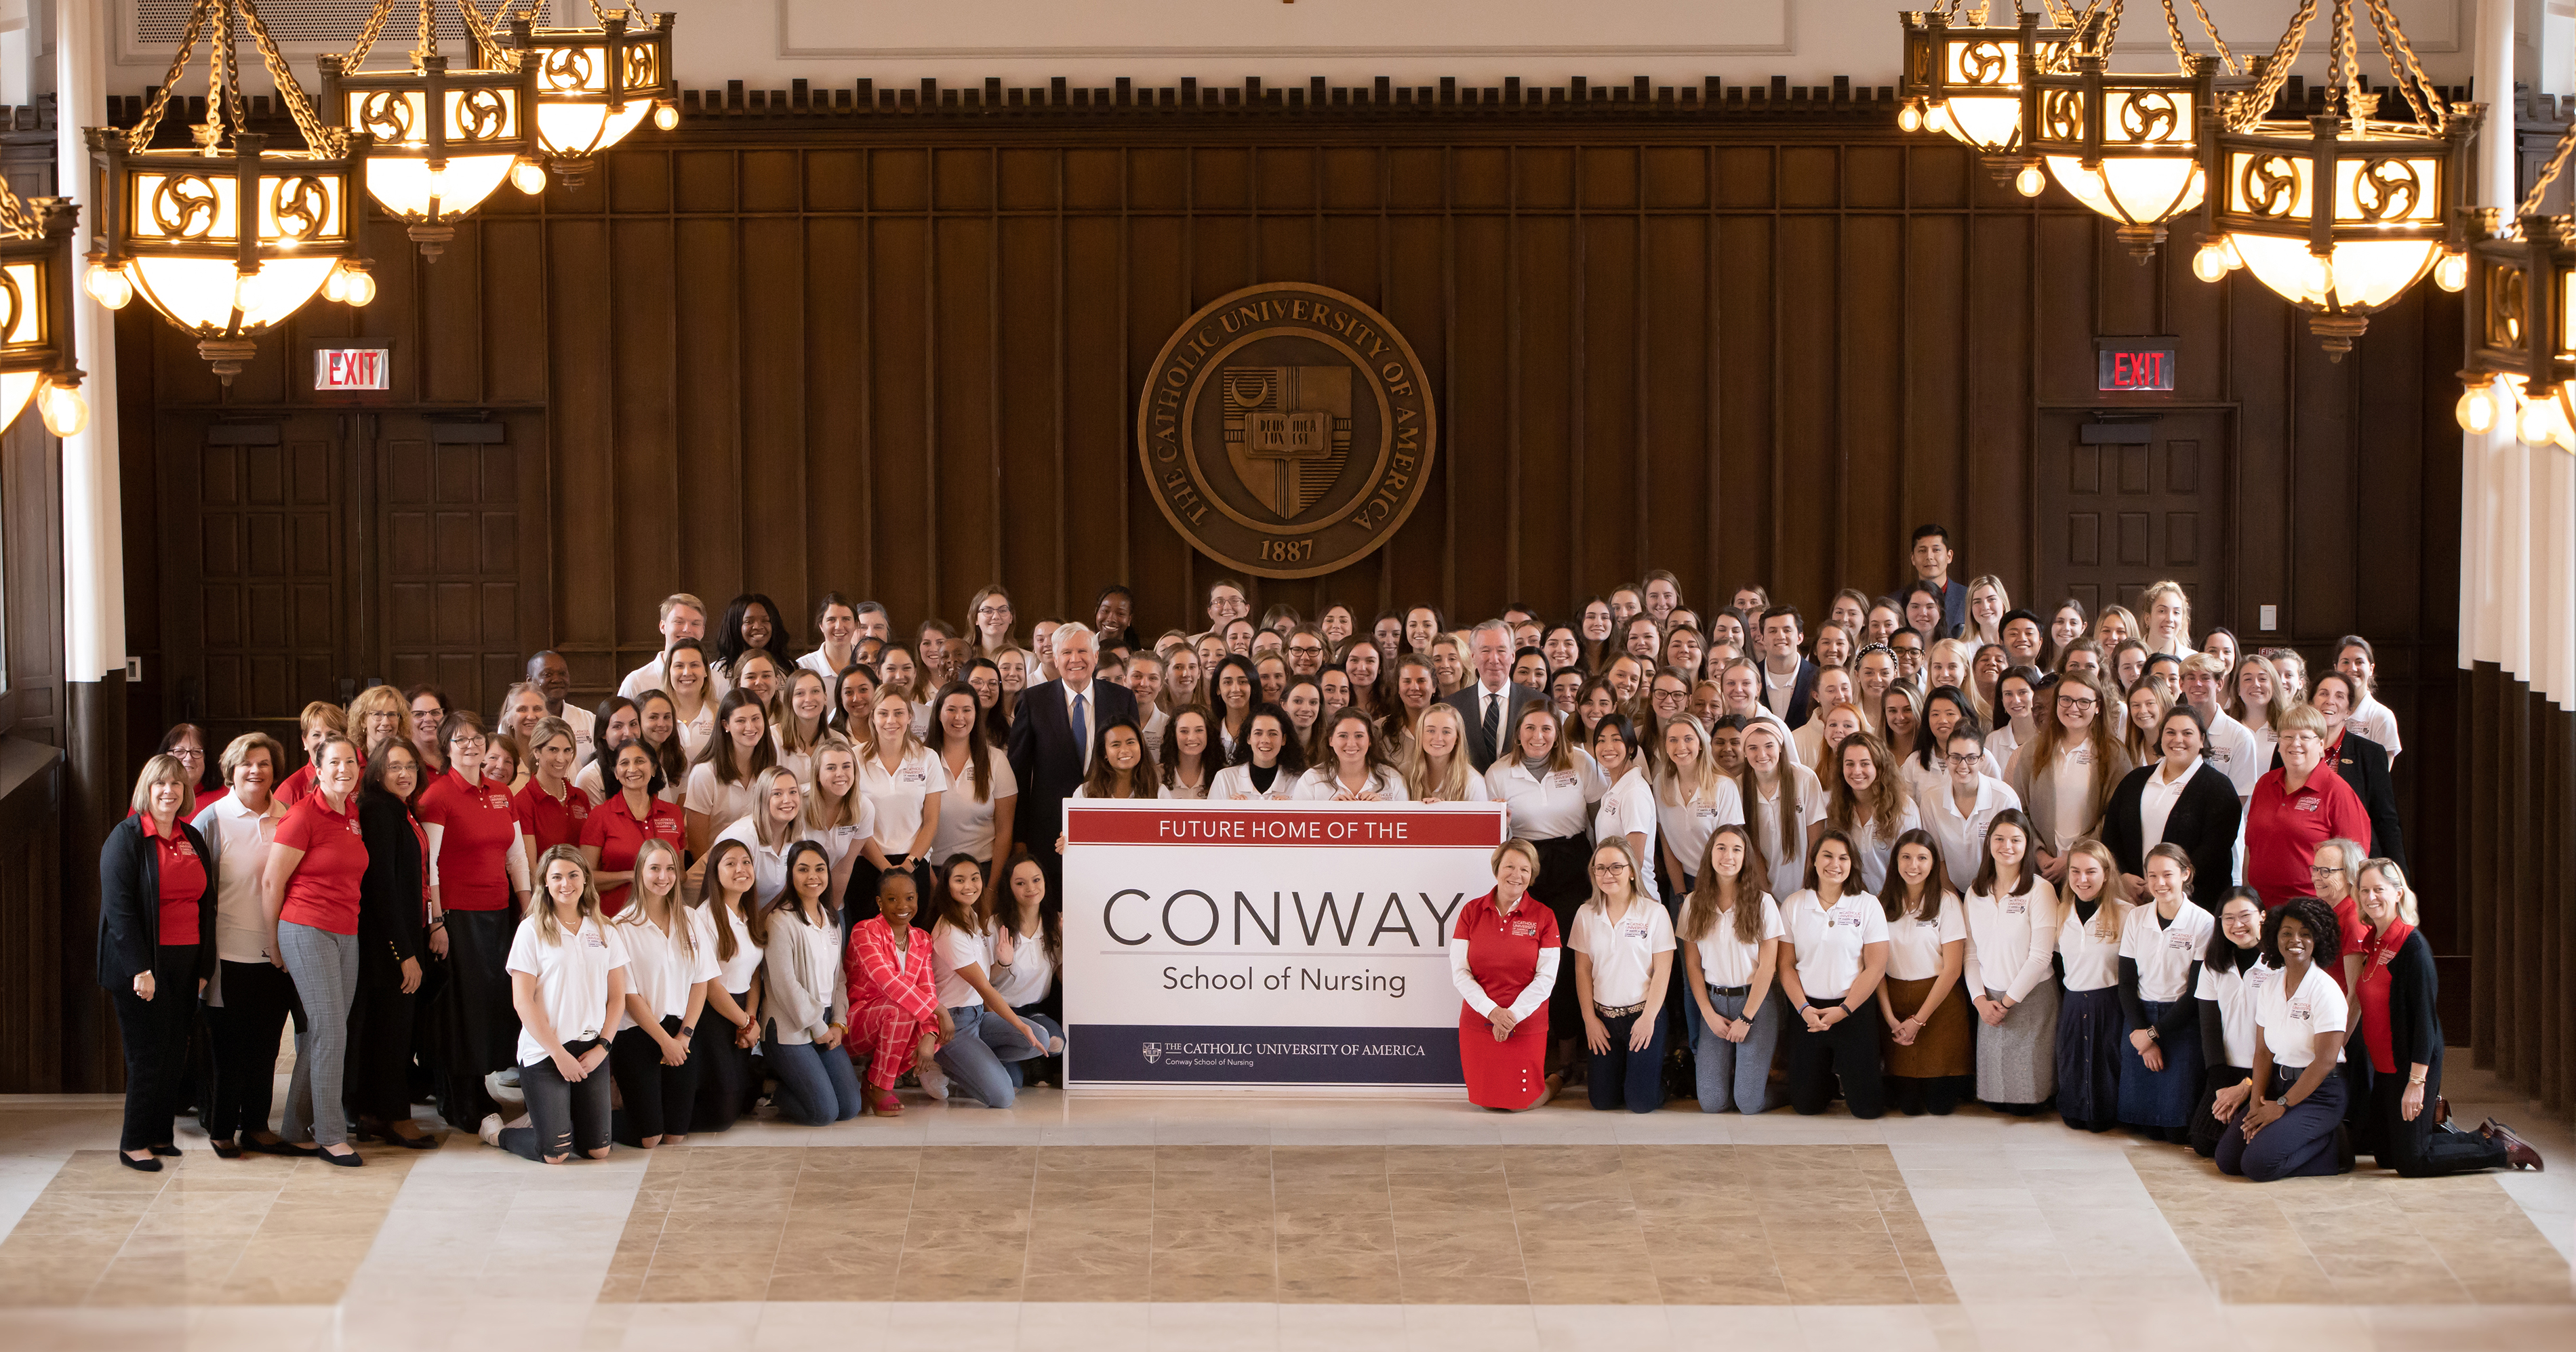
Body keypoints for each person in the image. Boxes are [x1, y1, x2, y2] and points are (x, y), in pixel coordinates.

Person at [2348, 859, 2539, 1174]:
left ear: (2397, 893)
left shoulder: (2413, 947)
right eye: (2364, 890)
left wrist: (2416, 1083)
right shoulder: (2373, 943)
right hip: (2385, 1067)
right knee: (2385, 1154)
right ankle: (2481, 1136)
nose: (2370, 897)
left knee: (2411, 1162)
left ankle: (2500, 1149)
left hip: (2412, 1064)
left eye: (2378, 889)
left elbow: (2425, 1022)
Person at [418, 712, 534, 1137]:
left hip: (498, 914)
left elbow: (516, 857)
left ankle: (479, 1088)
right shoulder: (438, 796)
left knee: (490, 1004)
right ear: (446, 747)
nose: (471, 746)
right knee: (461, 1011)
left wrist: (526, 909)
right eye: (460, 740)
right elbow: (427, 865)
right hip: (457, 917)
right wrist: (436, 922)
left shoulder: (502, 793)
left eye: (477, 739)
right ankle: (458, 1098)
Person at [99, 754, 217, 1170]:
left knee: (173, 1052)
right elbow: (120, 911)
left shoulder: (190, 836)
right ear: (146, 790)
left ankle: (160, 1136)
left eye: (177, 785)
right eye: (160, 785)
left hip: (186, 962)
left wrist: (204, 966)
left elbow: (208, 904)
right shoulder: (126, 838)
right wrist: (139, 969)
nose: (169, 792)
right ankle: (134, 1143)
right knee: (146, 1055)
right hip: (142, 968)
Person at [260, 735, 369, 1166]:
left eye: (351, 762)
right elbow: (272, 882)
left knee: (328, 1029)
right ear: (317, 769)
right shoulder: (302, 816)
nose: (344, 769)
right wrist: (273, 943)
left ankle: (294, 1128)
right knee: (330, 1029)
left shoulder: (353, 814)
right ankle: (329, 1135)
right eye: (335, 763)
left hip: (347, 931)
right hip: (306, 928)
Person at [481, 846, 629, 1162]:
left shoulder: (604, 929)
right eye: (557, 877)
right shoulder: (531, 930)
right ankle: (501, 1134)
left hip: (591, 1050)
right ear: (545, 883)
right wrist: (559, 1054)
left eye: (573, 875)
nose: (566, 884)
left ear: (585, 880)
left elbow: (617, 997)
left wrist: (604, 1047)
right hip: (546, 1052)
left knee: (598, 1151)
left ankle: (554, 1119)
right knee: (555, 1154)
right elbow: (522, 1001)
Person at [193, 733, 298, 1158]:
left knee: (267, 1045)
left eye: (264, 764)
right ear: (231, 771)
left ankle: (257, 1125)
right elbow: (198, 894)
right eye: (246, 764)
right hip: (225, 954)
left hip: (276, 953)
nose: (256, 771)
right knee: (228, 1049)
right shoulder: (210, 820)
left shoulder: (288, 817)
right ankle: (221, 1129)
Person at [2213, 897, 2351, 1182]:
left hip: (2320, 1095)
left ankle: (2332, 1149)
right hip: (2278, 1087)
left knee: (2257, 1165)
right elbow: (2263, 1052)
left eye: (2305, 934)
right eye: (2286, 933)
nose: (2295, 940)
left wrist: (2283, 1106)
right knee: (2228, 1160)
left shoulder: (2326, 991)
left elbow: (2325, 1061)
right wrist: (2255, 1103)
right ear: (2274, 937)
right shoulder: (2270, 985)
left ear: (2318, 939)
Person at [1007, 622, 1138, 893]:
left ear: (1096, 656)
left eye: (1082, 651)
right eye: (1066, 652)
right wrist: (1019, 838)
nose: (1075, 659)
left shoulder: (1122, 699)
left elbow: (1134, 765)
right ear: (1055, 659)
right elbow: (1018, 774)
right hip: (1049, 833)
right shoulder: (1034, 701)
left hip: (1111, 830)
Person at [347, 741, 434, 1149]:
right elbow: (382, 887)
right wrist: (406, 954)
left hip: (402, 935)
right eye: (394, 766)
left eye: (410, 766)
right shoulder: (379, 811)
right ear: (377, 772)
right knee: (391, 1032)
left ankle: (372, 1114)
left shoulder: (400, 809)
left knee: (389, 1031)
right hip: (386, 944)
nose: (404, 773)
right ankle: (394, 1116)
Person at [607, 840, 715, 1149]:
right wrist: (665, 1042)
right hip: (639, 1033)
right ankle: (588, 1120)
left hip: (682, 1030)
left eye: (670, 869)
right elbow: (628, 996)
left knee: (675, 1136)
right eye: (654, 868)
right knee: (651, 1139)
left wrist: (684, 1035)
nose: (663, 877)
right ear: (640, 872)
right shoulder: (621, 926)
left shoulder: (690, 919)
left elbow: (700, 981)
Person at [1777, 830, 1891, 1119]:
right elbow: (1786, 966)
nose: (1835, 864)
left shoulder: (1867, 904)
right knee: (1806, 1106)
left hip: (1852, 1009)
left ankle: (1855, 1080)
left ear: (1852, 864)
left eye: (1843, 858)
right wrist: (1803, 1009)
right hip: (1808, 1010)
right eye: (1827, 856)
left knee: (1867, 1110)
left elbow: (1875, 967)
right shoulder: (1793, 905)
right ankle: (1829, 1081)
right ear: (1813, 861)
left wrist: (1844, 1010)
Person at [927, 855, 1054, 1107]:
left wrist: (1004, 963)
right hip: (954, 1025)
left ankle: (975, 1063)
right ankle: (939, 1062)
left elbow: (987, 977)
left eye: (975, 878)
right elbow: (984, 987)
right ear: (947, 885)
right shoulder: (949, 931)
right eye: (959, 880)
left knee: (1040, 1040)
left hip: (978, 1016)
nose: (969, 886)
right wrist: (1019, 1024)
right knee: (1003, 1097)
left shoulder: (972, 916)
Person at [756, 842, 866, 1125]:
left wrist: (838, 1023)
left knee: (850, 1107)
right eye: (803, 870)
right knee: (824, 1113)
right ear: (790, 875)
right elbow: (785, 985)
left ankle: (806, 1086)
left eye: (819, 869)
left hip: (827, 1022)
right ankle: (775, 1092)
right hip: (789, 1027)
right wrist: (818, 1027)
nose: (812, 876)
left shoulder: (832, 920)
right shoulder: (780, 921)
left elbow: (839, 977)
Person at [1449, 839, 1562, 1111]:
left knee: (1522, 1104)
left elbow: (1546, 979)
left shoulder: (1544, 916)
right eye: (1510, 866)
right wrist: (1493, 1013)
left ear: (1532, 875)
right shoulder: (1471, 912)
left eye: (1525, 869)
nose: (1516, 875)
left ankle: (1557, 1081)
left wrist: (1511, 1017)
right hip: (1481, 1020)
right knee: (1486, 1103)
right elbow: (1460, 972)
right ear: (1497, 869)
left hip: (1524, 1021)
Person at [1678, 824, 1784, 1113]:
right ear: (1710, 855)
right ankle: (1742, 1079)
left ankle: (1789, 1088)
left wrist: (1746, 1018)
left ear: (1745, 857)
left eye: (1737, 849)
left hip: (1755, 1004)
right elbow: (1693, 966)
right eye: (1721, 848)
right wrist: (1709, 1015)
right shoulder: (1692, 903)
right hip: (1713, 1004)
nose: (1729, 856)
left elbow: (1768, 967)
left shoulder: (1763, 903)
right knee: (1712, 1103)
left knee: (1749, 1104)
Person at [2116, 844, 2215, 1142]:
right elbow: (2126, 983)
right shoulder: (2136, 917)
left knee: (2174, 1130)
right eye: (2152, 875)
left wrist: (2154, 1034)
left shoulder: (2203, 922)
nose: (2160, 883)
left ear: (2186, 874)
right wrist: (2142, 1036)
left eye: (2168, 874)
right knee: (2143, 1128)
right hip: (2139, 1016)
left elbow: (2196, 990)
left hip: (2180, 1020)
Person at [2099, 705, 2242, 911]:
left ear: (2202, 740)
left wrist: (2161, 883)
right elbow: (2111, 834)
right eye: (2170, 732)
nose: (2178, 740)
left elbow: (2214, 851)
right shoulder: (2134, 780)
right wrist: (2121, 875)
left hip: (2196, 904)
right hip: (2133, 899)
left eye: (2187, 733)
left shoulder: (2219, 788)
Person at [1965, 808, 2060, 1115]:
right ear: (1988, 843)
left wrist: (2005, 1003)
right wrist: (1980, 1000)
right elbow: (1971, 952)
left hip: (2031, 1000)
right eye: (2000, 839)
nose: (2007, 846)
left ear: (2027, 845)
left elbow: (2041, 956)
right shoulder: (1974, 892)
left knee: (2028, 1102)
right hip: (1989, 1001)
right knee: (1995, 1101)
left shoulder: (2040, 890)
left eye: (2016, 840)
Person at [1568, 839, 1673, 1113]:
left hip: (1644, 1015)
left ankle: (1671, 1078)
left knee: (1640, 1103)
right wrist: (1589, 1020)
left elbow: (1663, 970)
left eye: (1616, 867)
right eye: (1600, 868)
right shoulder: (1586, 914)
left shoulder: (1654, 913)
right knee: (1602, 1102)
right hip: (1603, 1020)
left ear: (1631, 871)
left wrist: (1649, 1018)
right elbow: (1582, 971)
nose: (1607, 874)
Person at [1876, 830, 1971, 1115]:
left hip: (1939, 1007)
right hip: (1894, 1006)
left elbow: (1953, 968)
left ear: (1933, 864)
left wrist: (1918, 1021)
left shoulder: (1948, 902)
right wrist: (1890, 1017)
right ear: (1895, 862)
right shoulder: (1880, 903)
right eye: (1906, 857)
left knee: (1940, 1106)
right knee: (1908, 1107)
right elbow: (1875, 966)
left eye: (1922, 858)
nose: (1913, 865)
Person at [2006, 671, 2131, 883]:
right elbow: (2019, 808)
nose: (2073, 708)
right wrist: (2039, 853)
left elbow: (2114, 817)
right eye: (2066, 700)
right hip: (2042, 869)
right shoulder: (2033, 751)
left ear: (2098, 706)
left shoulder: (2113, 754)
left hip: (2092, 870)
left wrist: (2074, 856)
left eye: (2084, 701)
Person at [2244, 705, 2370, 906]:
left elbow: (2356, 865)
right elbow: (2251, 847)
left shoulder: (2338, 792)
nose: (2295, 743)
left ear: (2321, 745)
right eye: (2287, 736)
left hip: (2313, 911)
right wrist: (2247, 898)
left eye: (2305, 737)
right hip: (2262, 908)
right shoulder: (2264, 784)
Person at [845, 865, 945, 1116]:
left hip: (898, 1018)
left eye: (910, 898)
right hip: (856, 1022)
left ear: (918, 899)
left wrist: (930, 1035)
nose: (902, 906)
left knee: (937, 1030)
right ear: (879, 902)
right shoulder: (865, 931)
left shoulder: (922, 939)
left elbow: (927, 988)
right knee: (902, 1009)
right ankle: (881, 1087)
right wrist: (938, 1010)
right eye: (892, 899)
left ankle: (873, 1080)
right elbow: (887, 982)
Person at [2053, 840, 2131, 1133]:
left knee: (2107, 1060)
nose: (2082, 880)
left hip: (2109, 1000)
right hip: (2074, 1000)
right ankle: (2074, 1107)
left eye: (2091, 871)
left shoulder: (2125, 913)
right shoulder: (2061, 912)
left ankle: (2105, 1111)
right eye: (2075, 871)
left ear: (2107, 874)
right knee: (2072, 1057)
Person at [688, 839, 765, 1133]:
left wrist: (751, 1019)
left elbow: (755, 972)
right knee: (720, 1117)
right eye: (730, 863)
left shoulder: (748, 913)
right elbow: (710, 985)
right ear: (715, 873)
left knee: (743, 1104)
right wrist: (744, 1021)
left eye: (746, 862)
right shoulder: (703, 918)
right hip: (713, 1014)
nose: (741, 869)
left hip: (744, 1010)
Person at [2190, 890, 2273, 1159]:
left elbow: (2283, 1038)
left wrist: (2248, 1085)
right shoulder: (2213, 965)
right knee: (2204, 1143)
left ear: (2262, 916)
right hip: (2226, 1072)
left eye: (2245, 916)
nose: (2237, 925)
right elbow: (2210, 1032)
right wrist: (2221, 1089)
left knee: (2243, 1147)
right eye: (2228, 918)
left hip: (2267, 1076)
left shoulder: (2279, 965)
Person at [855, 691, 947, 914]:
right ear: (873, 718)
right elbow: (855, 823)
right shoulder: (854, 759)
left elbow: (931, 821)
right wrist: (886, 869)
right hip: (868, 862)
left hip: (914, 864)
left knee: (914, 940)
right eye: (883, 713)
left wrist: (908, 866)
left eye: (898, 713)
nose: (891, 721)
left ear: (909, 717)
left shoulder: (928, 758)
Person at [2306, 672, 2405, 869]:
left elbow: (2385, 820)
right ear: (2310, 704)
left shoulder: (2371, 754)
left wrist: (2399, 879)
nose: (2330, 701)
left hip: (2356, 865)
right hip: (2304, 860)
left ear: (2350, 710)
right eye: (2323, 694)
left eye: (2339, 696)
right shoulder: (2292, 748)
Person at [580, 738, 688, 915]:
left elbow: (682, 873)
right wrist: (633, 875)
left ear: (654, 768)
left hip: (664, 916)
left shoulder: (673, 813)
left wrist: (663, 876)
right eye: (624, 763)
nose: (632, 769)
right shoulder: (601, 815)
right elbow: (585, 876)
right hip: (615, 919)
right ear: (615, 772)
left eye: (640, 761)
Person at [925, 682, 1020, 874]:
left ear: (976, 715)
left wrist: (992, 889)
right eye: (951, 709)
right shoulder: (921, 759)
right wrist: (931, 882)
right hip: (931, 870)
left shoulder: (996, 760)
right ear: (938, 713)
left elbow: (1004, 832)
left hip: (981, 870)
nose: (959, 717)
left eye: (967, 710)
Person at [990, 851, 1066, 1088]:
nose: (1030, 888)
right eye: (1020, 883)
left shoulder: (1055, 923)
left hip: (1034, 1010)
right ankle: (1003, 1053)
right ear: (1010, 888)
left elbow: (1062, 975)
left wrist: (1069, 944)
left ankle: (1030, 1055)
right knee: (1013, 1083)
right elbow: (981, 981)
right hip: (1001, 1011)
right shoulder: (996, 925)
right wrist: (1003, 963)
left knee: (1056, 1044)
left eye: (1036, 880)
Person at [1654, 715, 1745, 903]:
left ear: (1701, 744)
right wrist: (1681, 895)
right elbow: (1667, 845)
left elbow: (1731, 848)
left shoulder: (1724, 786)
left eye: (1688, 739)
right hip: (1681, 882)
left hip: (1721, 882)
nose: (1681, 747)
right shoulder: (1661, 784)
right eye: (1673, 740)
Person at [1733, 720, 1824, 903]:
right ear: (1744, 752)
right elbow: (1751, 847)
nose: (1762, 754)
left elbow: (1816, 840)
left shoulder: (1804, 779)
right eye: (1752, 748)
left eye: (1769, 746)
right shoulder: (1739, 786)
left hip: (1807, 887)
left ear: (1781, 747)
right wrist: (1766, 894)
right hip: (1764, 891)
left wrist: (1807, 887)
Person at [1438, 621, 1545, 773]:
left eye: (1501, 650)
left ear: (1513, 655)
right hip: (1468, 794)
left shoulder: (1538, 703)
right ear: (1473, 656)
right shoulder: (1451, 705)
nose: (1494, 659)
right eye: (1485, 651)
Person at [684, 690, 778, 855]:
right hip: (715, 867)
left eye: (756, 718)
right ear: (725, 725)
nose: (750, 727)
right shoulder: (704, 774)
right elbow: (697, 845)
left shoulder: (770, 767)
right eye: (741, 720)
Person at [1828, 733, 1918, 895]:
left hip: (1897, 901)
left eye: (1865, 764)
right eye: (1849, 764)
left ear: (1879, 766)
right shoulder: (1836, 808)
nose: (1856, 771)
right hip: (1855, 903)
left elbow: (1914, 864)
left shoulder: (1903, 809)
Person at [1587, 715, 1658, 897]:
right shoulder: (1616, 786)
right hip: (1615, 892)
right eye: (1601, 740)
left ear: (1631, 748)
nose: (1608, 747)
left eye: (1616, 740)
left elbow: (1635, 860)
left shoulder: (1635, 793)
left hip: (1634, 897)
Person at [513, 717, 593, 858]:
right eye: (553, 750)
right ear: (537, 752)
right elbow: (531, 870)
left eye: (567, 750)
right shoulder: (524, 802)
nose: (561, 759)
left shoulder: (580, 797)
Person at [1297, 707, 1409, 800]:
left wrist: (1381, 812)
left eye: (1359, 736)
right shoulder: (1310, 780)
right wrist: (1330, 813)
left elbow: (1406, 825)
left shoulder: (1393, 779)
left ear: (1370, 740)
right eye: (1343, 736)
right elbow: (1299, 826)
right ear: (1331, 740)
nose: (1351, 744)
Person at [1210, 708, 1307, 801]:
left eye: (1273, 734)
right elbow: (1211, 817)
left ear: (1283, 739)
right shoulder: (1225, 779)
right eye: (1258, 733)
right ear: (1248, 738)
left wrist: (1289, 812)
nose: (1265, 740)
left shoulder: (1298, 782)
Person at [1403, 703, 1493, 804]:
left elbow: (1479, 820)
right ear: (1420, 734)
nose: (1438, 738)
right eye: (1431, 731)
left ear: (1457, 738)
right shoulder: (1404, 773)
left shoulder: (1473, 782)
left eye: (1446, 732)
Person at [2333, 636, 2402, 761]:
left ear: (2371, 669)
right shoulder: (2327, 711)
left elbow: (2381, 776)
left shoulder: (2382, 716)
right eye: (2345, 662)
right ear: (2336, 668)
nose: (2352, 668)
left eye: (2359, 662)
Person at [1907, 524, 1969, 634]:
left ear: (1949, 556)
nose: (1929, 557)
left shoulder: (1969, 598)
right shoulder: (1896, 600)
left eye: (1936, 550)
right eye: (1922, 551)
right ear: (1913, 558)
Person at [1157, 706, 1216, 799]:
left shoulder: (1221, 776)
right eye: (1184, 731)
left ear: (1209, 734)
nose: (1192, 738)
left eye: (1199, 730)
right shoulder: (1156, 775)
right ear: (1173, 735)